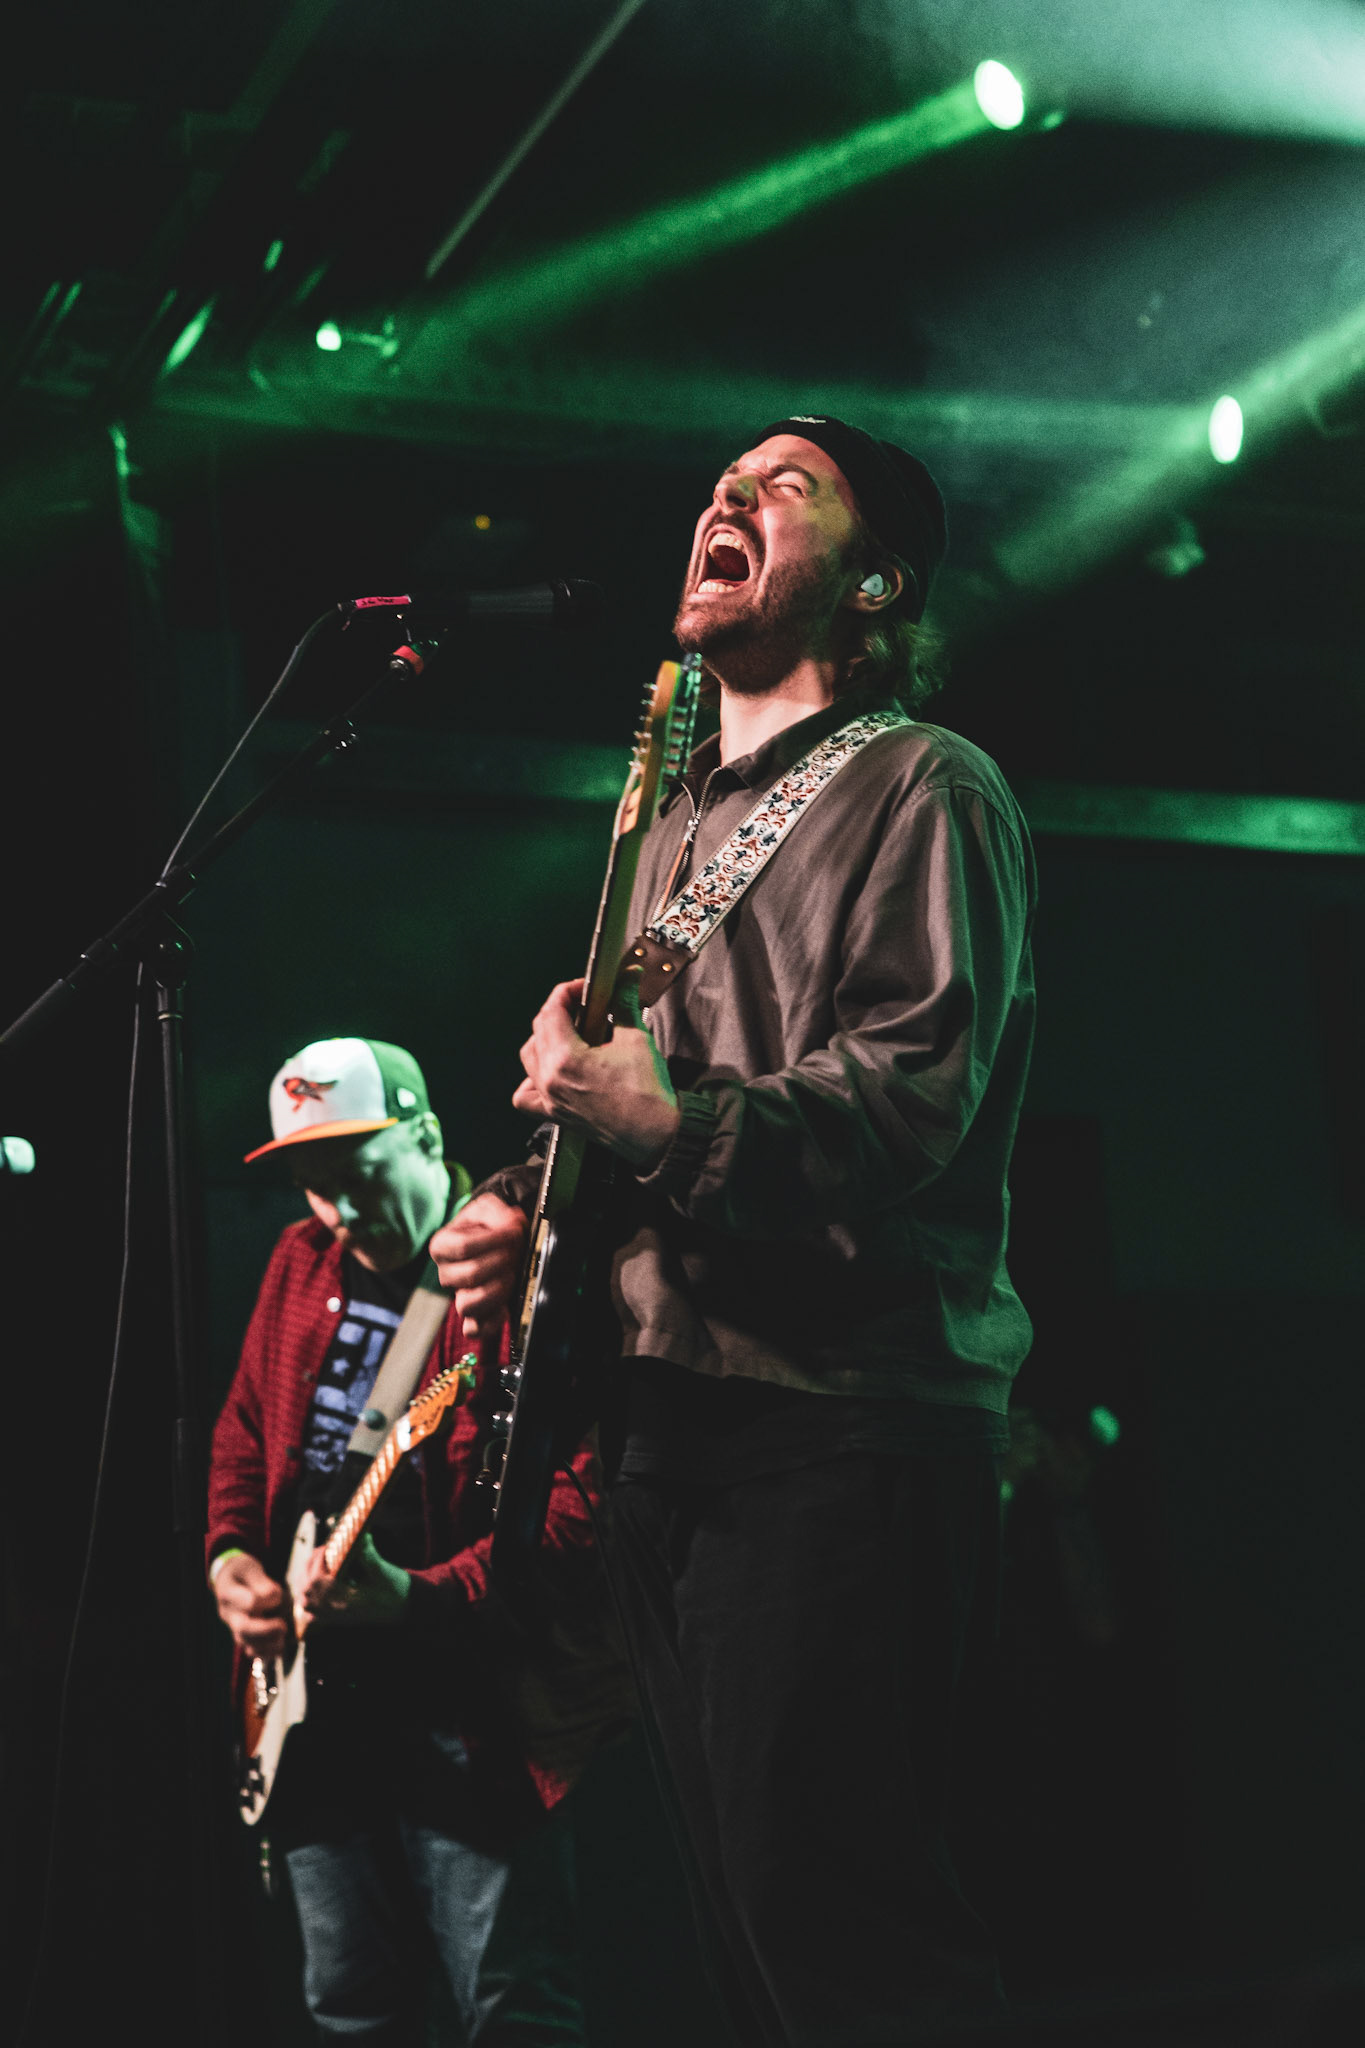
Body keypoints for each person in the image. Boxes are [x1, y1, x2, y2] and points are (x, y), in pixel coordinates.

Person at [432, 417, 1037, 2048]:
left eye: (785, 486)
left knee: (847, 1935)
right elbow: (647, 1094)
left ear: (874, 582)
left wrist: (658, 1121)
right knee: (744, 1947)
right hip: (665, 1416)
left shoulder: (926, 783)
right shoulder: (671, 829)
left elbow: (909, 1094)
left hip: (838, 1413)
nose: (728, 495)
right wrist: (521, 1203)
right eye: (724, 481)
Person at [208, 1036, 616, 2046]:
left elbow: (587, 1506)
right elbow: (244, 1430)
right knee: (350, 2004)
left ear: (427, 1134)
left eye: (355, 1172)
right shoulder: (298, 1260)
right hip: (307, 1710)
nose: (337, 1209)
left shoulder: (512, 1277)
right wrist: (230, 1557)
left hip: (467, 1707)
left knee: (511, 2005)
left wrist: (421, 1597)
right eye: (313, 1185)